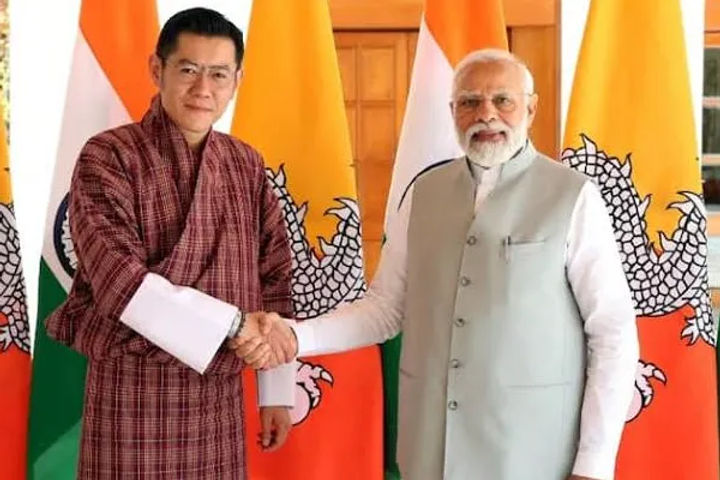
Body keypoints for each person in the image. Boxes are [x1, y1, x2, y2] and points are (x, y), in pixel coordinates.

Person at [234, 49, 640, 480]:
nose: (486, 114)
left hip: (532, 453)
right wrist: (295, 337)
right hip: (431, 449)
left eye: (503, 100)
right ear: (452, 111)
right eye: (470, 102)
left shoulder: (573, 195)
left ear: (531, 108)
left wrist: (594, 464)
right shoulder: (423, 192)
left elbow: (612, 332)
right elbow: (385, 309)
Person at [46, 8, 295, 479]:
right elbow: (120, 283)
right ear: (157, 69)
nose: (203, 89)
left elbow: (275, 275)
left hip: (218, 400)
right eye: (188, 70)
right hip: (132, 394)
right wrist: (234, 326)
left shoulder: (245, 164)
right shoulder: (108, 156)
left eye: (218, 74)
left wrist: (276, 390)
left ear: (237, 81)